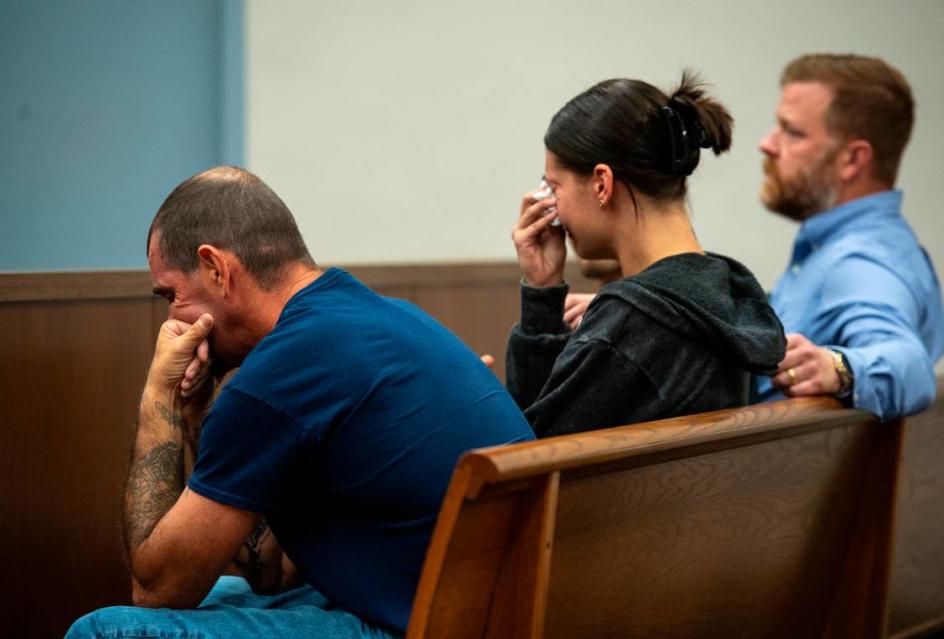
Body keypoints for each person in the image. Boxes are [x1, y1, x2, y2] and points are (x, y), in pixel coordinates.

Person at [65, 167, 534, 639]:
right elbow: (269, 573)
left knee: (105, 632)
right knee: (222, 593)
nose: (171, 319)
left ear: (216, 268)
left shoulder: (283, 368)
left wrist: (158, 397)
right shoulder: (380, 316)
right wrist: (193, 414)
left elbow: (156, 586)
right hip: (494, 613)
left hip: (425, 626)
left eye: (171, 295)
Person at [506, 72, 786, 438]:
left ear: (602, 184)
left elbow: (528, 454)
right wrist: (546, 289)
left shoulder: (629, 326)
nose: (551, 208)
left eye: (553, 187)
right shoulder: (727, 297)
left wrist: (541, 312)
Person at [751, 53, 944, 420]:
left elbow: (912, 366)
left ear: (853, 160)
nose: (767, 144)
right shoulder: (878, 246)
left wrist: (836, 367)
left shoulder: (860, 261)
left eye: (792, 132)